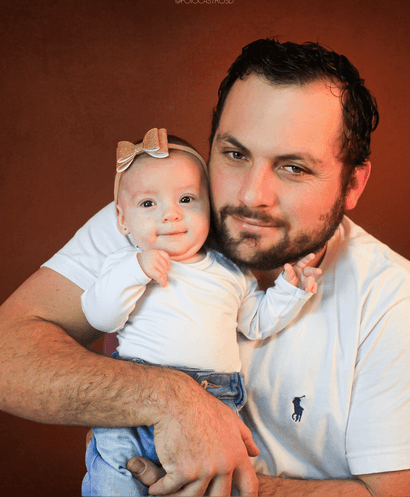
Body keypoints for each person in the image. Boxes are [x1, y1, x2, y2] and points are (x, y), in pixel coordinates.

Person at [1, 38, 410, 497]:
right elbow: (7, 354)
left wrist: (218, 485)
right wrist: (170, 399)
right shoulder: (158, 218)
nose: (251, 195)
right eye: (235, 154)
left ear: (352, 183)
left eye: (293, 168)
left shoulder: (392, 301)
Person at [81, 127, 320, 496]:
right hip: (134, 393)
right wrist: (136, 271)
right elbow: (101, 318)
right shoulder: (124, 263)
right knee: (115, 477)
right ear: (122, 218)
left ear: (209, 207)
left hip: (215, 399)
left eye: (187, 199)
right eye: (148, 204)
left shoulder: (230, 270)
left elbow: (255, 324)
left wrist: (291, 291)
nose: (170, 215)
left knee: (207, 485)